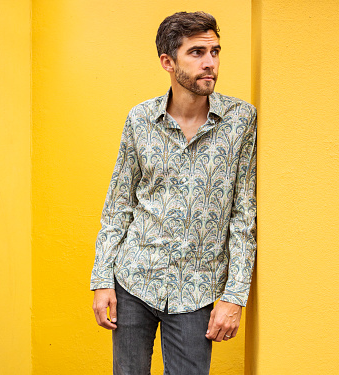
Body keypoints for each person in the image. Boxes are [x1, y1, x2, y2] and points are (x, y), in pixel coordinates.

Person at [91, 11, 256, 375]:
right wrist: (102, 280)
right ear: (168, 62)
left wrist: (234, 296)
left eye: (215, 51)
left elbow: (244, 215)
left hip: (196, 289)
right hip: (133, 281)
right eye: (197, 52)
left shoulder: (241, 120)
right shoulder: (140, 119)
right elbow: (119, 204)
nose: (210, 63)